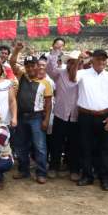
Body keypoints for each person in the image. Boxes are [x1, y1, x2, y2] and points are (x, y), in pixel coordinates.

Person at [71, 48, 108, 191]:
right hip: (85, 116)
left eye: (104, 59)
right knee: (85, 146)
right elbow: (72, 78)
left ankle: (105, 177)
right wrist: (77, 61)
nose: (101, 61)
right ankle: (87, 175)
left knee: (105, 148)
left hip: (104, 116)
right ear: (92, 59)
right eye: (99, 58)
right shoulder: (83, 73)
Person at [9, 45, 53, 183]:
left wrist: (46, 120)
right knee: (21, 145)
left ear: (37, 67)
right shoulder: (22, 76)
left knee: (39, 146)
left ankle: (41, 173)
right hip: (21, 117)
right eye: (27, 66)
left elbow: (49, 104)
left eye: (32, 65)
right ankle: (24, 170)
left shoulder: (45, 83)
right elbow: (12, 63)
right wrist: (16, 50)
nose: (30, 68)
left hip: (37, 118)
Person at [46, 47, 81, 180]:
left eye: (75, 62)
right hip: (61, 114)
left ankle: (74, 169)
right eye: (71, 61)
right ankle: (53, 167)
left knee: (74, 144)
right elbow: (50, 68)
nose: (73, 64)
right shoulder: (59, 73)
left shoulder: (83, 75)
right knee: (56, 142)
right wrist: (55, 52)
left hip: (76, 116)